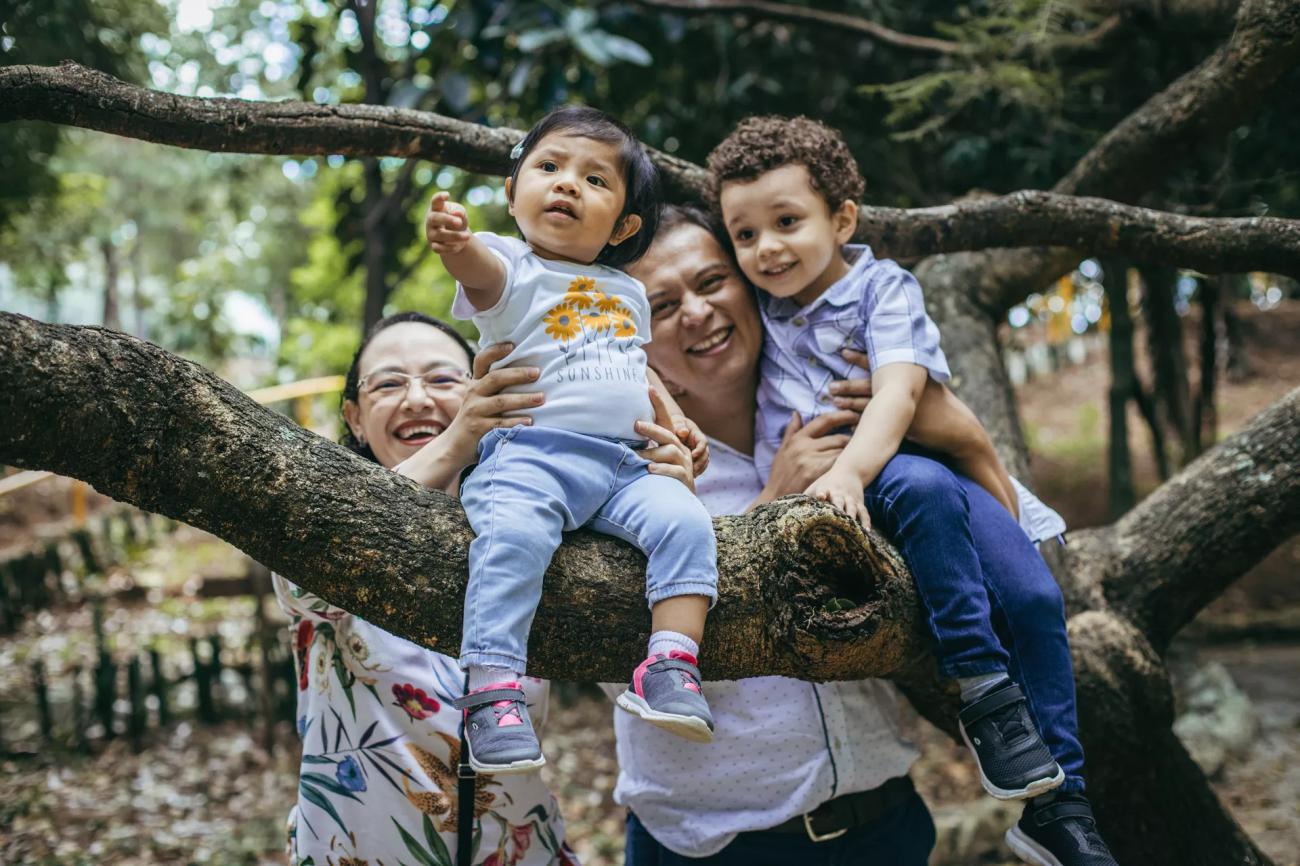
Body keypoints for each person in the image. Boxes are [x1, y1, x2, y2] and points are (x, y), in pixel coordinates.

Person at [621, 205, 1119, 866]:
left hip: (883, 822)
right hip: (715, 841)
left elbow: (991, 563)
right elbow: (620, 645)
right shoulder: (626, 464)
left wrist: (964, 437)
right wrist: (774, 504)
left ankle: (1061, 808)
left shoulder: (844, 398)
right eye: (662, 304)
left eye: (712, 282)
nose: (696, 311)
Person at [422, 105, 718, 775]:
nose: (566, 185)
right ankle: (493, 690)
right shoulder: (512, 265)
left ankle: (671, 663)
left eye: (593, 179)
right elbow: (476, 271)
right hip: (531, 455)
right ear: (512, 190)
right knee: (514, 541)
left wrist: (674, 417)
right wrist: (453, 243)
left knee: (687, 523)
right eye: (549, 167)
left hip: (624, 466)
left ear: (623, 226)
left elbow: (633, 363)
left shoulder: (629, 291)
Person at [275, 312, 581, 866]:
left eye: (443, 380)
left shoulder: (536, 527)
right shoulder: (328, 529)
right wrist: (458, 440)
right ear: (355, 418)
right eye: (389, 383)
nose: (417, 399)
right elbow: (301, 584)